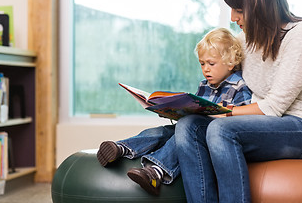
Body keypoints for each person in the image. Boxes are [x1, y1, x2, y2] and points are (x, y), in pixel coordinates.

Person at [174, 0, 302, 202]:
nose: (232, 18)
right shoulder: (243, 40)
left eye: (238, 9)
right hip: (258, 124)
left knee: (220, 129)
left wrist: (223, 114)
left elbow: (274, 107)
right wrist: (182, 107)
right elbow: (219, 76)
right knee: (188, 127)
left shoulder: (301, 35)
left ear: (260, 7)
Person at [97, 27, 252, 196]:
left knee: (181, 135)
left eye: (211, 64)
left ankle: (155, 171)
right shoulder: (204, 85)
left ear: (230, 62)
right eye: (202, 63)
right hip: (191, 129)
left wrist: (225, 113)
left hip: (210, 138)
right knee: (163, 132)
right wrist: (172, 111)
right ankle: (123, 147)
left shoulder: (239, 86)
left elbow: (240, 120)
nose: (206, 69)